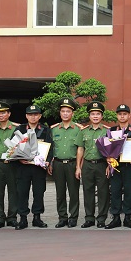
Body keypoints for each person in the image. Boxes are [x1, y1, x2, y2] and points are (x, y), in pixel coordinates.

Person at [15, 104, 53, 229]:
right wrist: (19, 159)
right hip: (23, 167)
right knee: (22, 193)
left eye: (36, 114)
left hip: (38, 168)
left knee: (39, 192)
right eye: (30, 115)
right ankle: (23, 218)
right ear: (26, 116)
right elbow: (12, 147)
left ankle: (37, 217)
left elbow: (50, 147)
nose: (33, 117)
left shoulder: (46, 130)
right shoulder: (20, 129)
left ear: (40, 116)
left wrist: (47, 162)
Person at [106, 104, 131, 229]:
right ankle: (115, 217)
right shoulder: (111, 131)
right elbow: (107, 148)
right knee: (115, 191)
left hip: (129, 166)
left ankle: (128, 218)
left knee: (129, 192)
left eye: (124, 114)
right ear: (117, 116)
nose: (122, 116)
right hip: (116, 166)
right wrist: (108, 159)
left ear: (129, 115)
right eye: (120, 114)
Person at [77, 101, 110, 228]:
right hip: (88, 165)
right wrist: (78, 167)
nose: (95, 116)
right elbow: (80, 149)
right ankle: (89, 218)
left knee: (103, 192)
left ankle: (101, 218)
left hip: (102, 164)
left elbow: (111, 150)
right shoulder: (84, 131)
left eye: (98, 114)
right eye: (92, 114)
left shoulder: (107, 131)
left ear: (102, 116)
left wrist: (109, 165)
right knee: (88, 192)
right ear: (89, 116)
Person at [51, 97, 82, 228]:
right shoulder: (54, 129)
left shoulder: (78, 129)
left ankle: (73, 217)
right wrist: (51, 162)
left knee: (74, 192)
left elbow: (80, 148)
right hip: (58, 163)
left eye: (68, 111)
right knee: (60, 192)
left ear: (72, 113)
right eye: (63, 111)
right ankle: (62, 217)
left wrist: (78, 167)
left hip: (72, 163)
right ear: (60, 113)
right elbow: (51, 147)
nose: (65, 113)